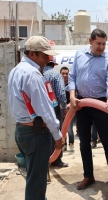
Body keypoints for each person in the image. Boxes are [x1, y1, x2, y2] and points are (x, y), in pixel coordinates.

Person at [8, 36, 65, 200]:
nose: (48, 59)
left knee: (34, 177)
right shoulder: (32, 74)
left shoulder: (16, 70)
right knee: (37, 183)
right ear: (32, 54)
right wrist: (58, 135)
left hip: (23, 129)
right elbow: (45, 109)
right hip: (36, 132)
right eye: (45, 56)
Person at [66, 29, 108, 190]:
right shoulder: (80, 54)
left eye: (104, 44)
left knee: (107, 141)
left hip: (102, 103)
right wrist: (72, 96)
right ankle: (88, 175)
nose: (101, 47)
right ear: (90, 41)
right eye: (98, 43)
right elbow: (72, 76)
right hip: (81, 103)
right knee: (84, 142)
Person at [43, 59, 68, 167]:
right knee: (56, 131)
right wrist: (64, 108)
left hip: (41, 108)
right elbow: (61, 93)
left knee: (44, 133)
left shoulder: (38, 73)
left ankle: (45, 159)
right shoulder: (55, 75)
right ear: (53, 64)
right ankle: (56, 159)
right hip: (54, 108)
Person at [60, 66, 75, 151]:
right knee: (62, 129)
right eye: (63, 73)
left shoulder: (71, 85)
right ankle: (64, 144)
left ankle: (71, 144)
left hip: (70, 110)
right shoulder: (58, 84)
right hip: (61, 110)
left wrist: (69, 104)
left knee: (69, 129)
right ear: (60, 74)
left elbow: (74, 96)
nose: (65, 75)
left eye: (66, 73)